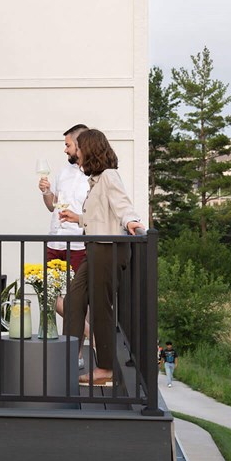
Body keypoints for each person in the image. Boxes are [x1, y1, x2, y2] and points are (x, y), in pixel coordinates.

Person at [59, 129, 145, 386]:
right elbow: (102, 216)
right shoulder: (97, 179)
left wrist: (131, 221)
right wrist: (79, 219)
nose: (76, 153)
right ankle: (66, 361)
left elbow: (122, 205)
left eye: (79, 148)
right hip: (96, 248)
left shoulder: (109, 176)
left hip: (108, 250)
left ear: (90, 150)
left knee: (100, 309)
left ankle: (105, 368)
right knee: (74, 300)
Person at [40, 123, 91, 367]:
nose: (65, 150)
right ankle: (91, 331)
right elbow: (52, 206)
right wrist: (46, 192)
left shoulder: (94, 174)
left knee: (77, 300)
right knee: (50, 296)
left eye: (68, 145)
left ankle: (77, 355)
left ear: (80, 145)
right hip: (55, 240)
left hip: (79, 244)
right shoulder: (63, 172)